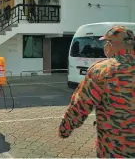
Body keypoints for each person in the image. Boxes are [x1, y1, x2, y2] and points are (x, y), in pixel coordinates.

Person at [58, 25, 135, 157]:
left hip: (114, 149)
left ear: (111, 44)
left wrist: (65, 129)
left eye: (106, 42)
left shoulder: (102, 70)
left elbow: (81, 105)